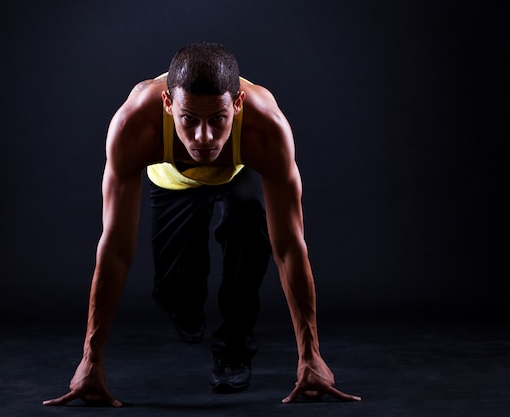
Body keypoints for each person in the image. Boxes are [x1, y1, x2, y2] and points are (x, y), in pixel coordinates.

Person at [43, 42, 361, 406]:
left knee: (248, 224)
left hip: (234, 178)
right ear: (168, 105)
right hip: (172, 183)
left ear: (237, 105)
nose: (204, 138)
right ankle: (185, 304)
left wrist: (311, 355)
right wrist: (90, 359)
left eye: (218, 119)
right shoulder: (134, 123)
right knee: (177, 292)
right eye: (189, 119)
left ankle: (233, 348)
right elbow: (115, 248)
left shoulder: (266, 127)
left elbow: (289, 247)